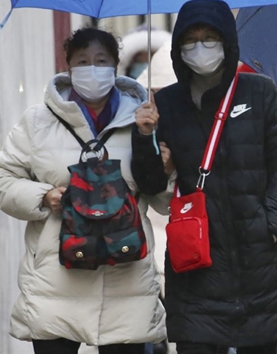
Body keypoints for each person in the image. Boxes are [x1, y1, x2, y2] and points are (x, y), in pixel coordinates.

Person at [131, 0, 277, 354]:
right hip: (196, 262)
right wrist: (144, 136)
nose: (200, 47)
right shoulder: (166, 104)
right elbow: (150, 184)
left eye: (209, 37)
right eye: (190, 40)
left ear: (227, 41)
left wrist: (269, 222)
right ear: (179, 48)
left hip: (257, 262)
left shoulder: (261, 92)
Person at [0, 27, 166, 354]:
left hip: (125, 280)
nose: (93, 69)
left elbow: (163, 197)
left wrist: (150, 141)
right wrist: (44, 196)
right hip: (56, 282)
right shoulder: (37, 122)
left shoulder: (144, 119)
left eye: (101, 61)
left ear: (116, 67)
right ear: (68, 67)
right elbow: (4, 179)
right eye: (83, 61)